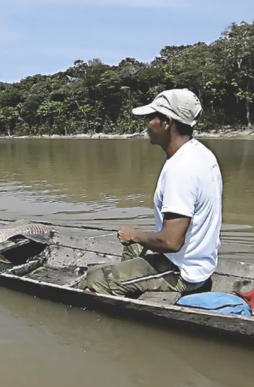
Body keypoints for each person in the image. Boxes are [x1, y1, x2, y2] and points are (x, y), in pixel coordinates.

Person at [86, 88, 222, 297]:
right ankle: (129, 285)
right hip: (199, 261)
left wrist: (134, 234)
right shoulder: (200, 153)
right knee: (132, 246)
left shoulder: (181, 169)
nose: (147, 124)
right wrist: (135, 238)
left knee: (95, 278)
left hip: (182, 272)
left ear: (166, 122)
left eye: (151, 117)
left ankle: (122, 291)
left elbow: (171, 242)